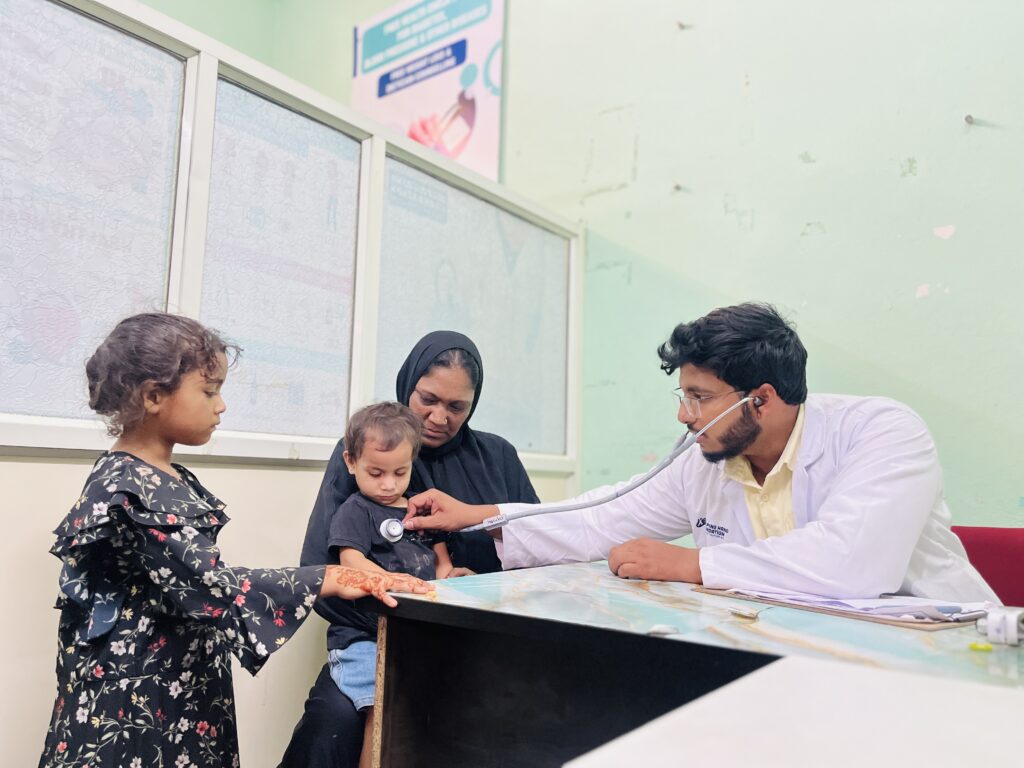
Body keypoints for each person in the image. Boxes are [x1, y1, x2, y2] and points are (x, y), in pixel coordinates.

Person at [403, 303, 998, 602]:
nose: (684, 415)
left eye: (700, 397)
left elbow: (854, 563)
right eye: (683, 394)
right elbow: (602, 518)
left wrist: (692, 565)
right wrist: (481, 516)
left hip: (944, 655)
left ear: (762, 399)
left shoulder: (882, 432)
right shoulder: (705, 460)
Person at [38, 313, 430, 768]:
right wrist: (329, 577)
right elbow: (207, 584)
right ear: (153, 396)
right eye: (209, 391)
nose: (221, 406)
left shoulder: (163, 475)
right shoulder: (126, 486)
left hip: (176, 682)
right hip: (135, 696)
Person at [280, 330, 539, 767]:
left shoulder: (498, 457)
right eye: (428, 399)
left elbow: (537, 551)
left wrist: (473, 594)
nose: (439, 417)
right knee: (334, 720)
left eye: (457, 407)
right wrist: (405, 613)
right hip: (376, 639)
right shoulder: (368, 451)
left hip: (479, 644)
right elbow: (320, 571)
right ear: (408, 385)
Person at [328, 401, 463, 768]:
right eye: (376, 473)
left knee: (427, 714)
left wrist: (454, 578)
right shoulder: (355, 510)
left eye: (400, 472)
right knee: (382, 713)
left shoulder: (420, 511)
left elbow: (441, 564)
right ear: (351, 462)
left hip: (415, 636)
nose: (388, 484)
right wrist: (390, 580)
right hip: (365, 640)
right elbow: (350, 562)